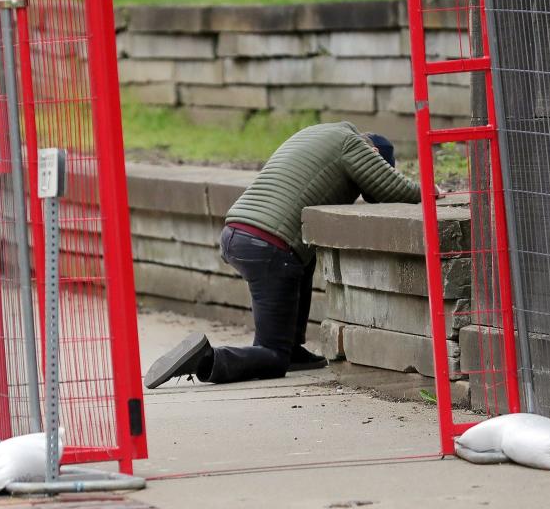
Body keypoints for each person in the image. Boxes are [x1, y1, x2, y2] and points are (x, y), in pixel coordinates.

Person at [144, 121, 434, 388]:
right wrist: (432, 192)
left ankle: (293, 347)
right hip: (268, 246)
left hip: (238, 232)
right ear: (372, 153)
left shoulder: (318, 133)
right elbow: (390, 188)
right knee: (272, 356)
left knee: (301, 265)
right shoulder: (353, 144)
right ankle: (208, 359)